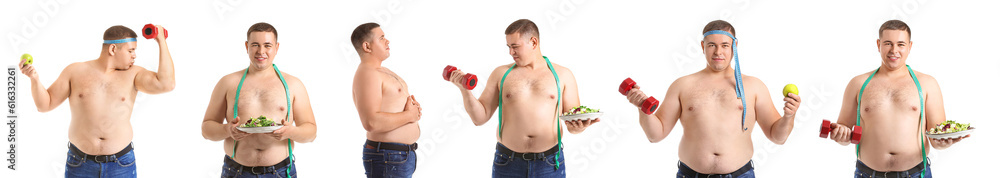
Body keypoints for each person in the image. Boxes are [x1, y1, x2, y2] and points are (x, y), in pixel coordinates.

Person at [621, 20, 801, 178]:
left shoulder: (754, 86)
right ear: (702, 46)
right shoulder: (682, 85)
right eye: (711, 45)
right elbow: (655, 135)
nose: (718, 52)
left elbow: (778, 138)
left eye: (724, 45)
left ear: (735, 46)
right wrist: (642, 108)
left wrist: (789, 116)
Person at [19, 25, 176, 177]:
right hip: (80, 164)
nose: (134, 55)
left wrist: (161, 40)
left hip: (121, 164)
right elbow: (44, 105)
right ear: (113, 49)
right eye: (131, 50)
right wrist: (34, 79)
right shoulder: (75, 71)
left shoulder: (134, 74)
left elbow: (167, 84)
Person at [201, 22, 317, 178]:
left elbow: (311, 132)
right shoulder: (228, 83)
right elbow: (206, 129)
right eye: (255, 45)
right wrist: (227, 130)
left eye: (267, 45)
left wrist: (292, 132)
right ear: (246, 46)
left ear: (276, 47)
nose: (261, 51)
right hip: (236, 172)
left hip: (281, 172)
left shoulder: (293, 84)